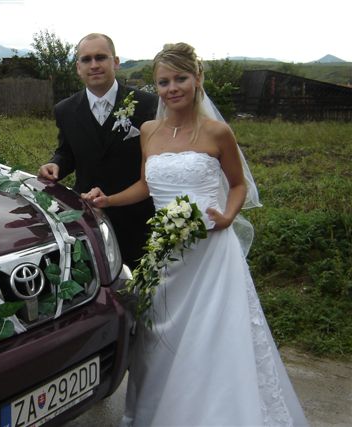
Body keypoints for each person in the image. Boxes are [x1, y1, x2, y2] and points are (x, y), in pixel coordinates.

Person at [82, 42, 309, 426]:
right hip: (164, 256)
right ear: (156, 86)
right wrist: (109, 200)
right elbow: (146, 185)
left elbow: (238, 185)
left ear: (197, 78)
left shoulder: (218, 132)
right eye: (163, 81)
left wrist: (228, 216)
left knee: (210, 339)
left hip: (210, 255)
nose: (172, 88)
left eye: (180, 79)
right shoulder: (149, 131)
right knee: (159, 338)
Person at [38, 33, 158, 269]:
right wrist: (56, 164)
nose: (94, 65)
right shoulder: (65, 110)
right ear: (78, 67)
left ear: (116, 62)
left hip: (138, 216)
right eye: (86, 59)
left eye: (101, 57)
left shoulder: (147, 105)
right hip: (89, 216)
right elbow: (67, 152)